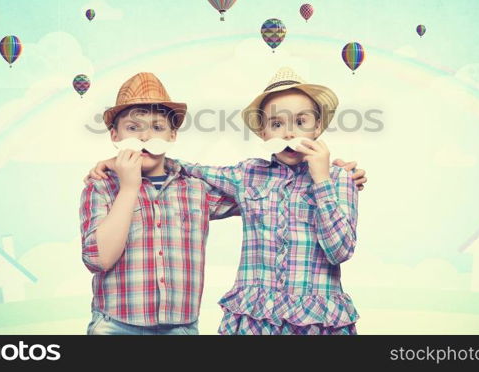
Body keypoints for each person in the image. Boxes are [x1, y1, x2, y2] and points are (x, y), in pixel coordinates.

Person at [86, 67, 366, 334]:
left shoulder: (337, 179)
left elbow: (339, 252)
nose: (289, 133)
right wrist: (121, 165)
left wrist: (323, 182)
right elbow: (193, 167)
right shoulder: (247, 176)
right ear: (263, 133)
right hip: (254, 320)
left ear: (318, 126)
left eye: (301, 122)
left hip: (315, 320)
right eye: (277, 124)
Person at [80, 72, 240, 335]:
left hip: (180, 328)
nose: (145, 137)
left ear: (172, 136)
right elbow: (98, 260)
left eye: (157, 128)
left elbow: (261, 193)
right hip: (115, 325)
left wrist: (328, 174)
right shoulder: (101, 186)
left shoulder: (196, 189)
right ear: (115, 135)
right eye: (133, 128)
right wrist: (129, 186)